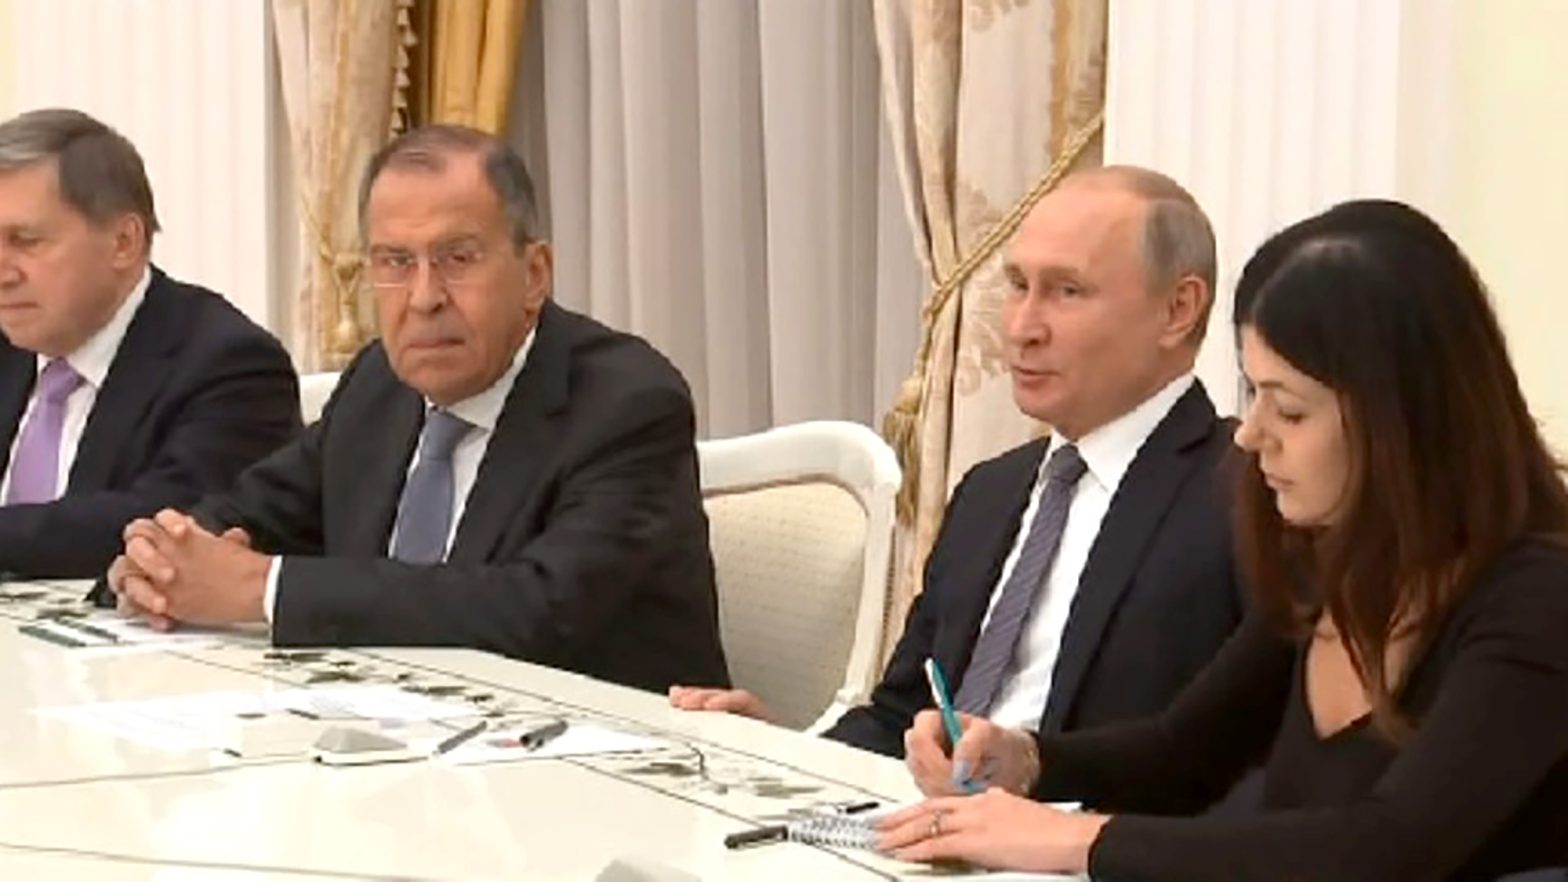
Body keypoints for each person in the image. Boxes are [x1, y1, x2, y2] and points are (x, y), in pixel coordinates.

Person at [881, 199, 1568, 881]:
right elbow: (1184, 752)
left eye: (1290, 409)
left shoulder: (1539, 597)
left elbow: (1389, 848)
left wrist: (1073, 841)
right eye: (1252, 393)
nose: (1251, 433)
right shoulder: (1324, 561)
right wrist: (1028, 759)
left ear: (1405, 420)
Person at [107, 124, 729, 694]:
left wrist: (260, 587)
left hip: (601, 753)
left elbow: (539, 609)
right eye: (396, 263)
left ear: (535, 274)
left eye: (457, 259)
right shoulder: (380, 383)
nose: (424, 297)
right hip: (388, 738)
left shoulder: (626, 403)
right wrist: (160, 559)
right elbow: (249, 511)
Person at [671, 166, 1245, 766]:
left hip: (1077, 822)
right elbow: (901, 718)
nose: (1021, 328)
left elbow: (1238, 768)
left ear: (1178, 309)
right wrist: (782, 754)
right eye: (1018, 285)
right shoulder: (990, 491)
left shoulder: (1246, 497)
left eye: (1067, 291)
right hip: (921, 815)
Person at [0, 108, 298, 579]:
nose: (4, 272)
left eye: (26, 240)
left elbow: (167, 522)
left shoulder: (230, 364)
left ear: (124, 241)